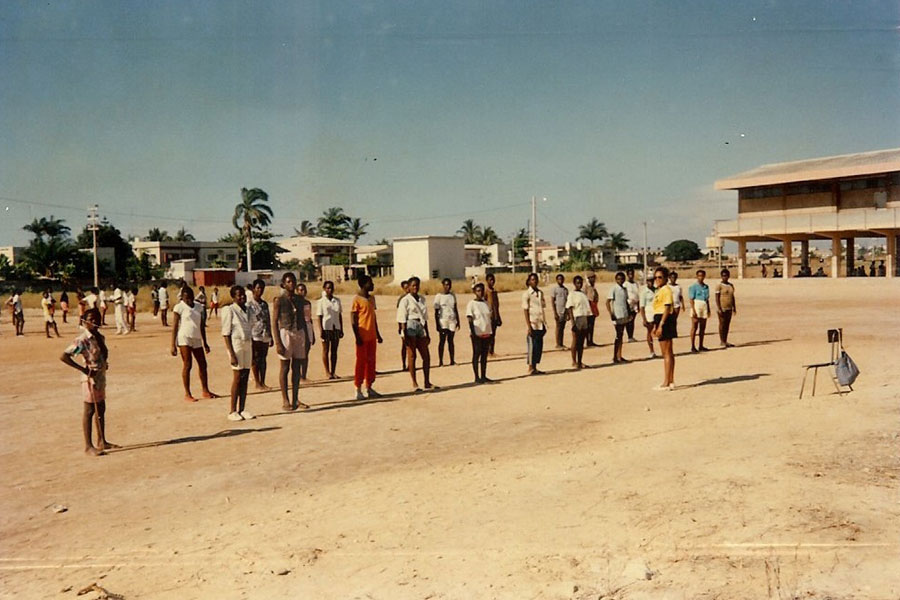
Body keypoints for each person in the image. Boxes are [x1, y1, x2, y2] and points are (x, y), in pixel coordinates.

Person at [60, 308, 118, 456]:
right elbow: (65, 356)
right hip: (89, 379)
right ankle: (88, 445)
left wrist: (104, 364)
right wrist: (83, 369)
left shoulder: (100, 338)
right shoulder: (83, 340)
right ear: (84, 321)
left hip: (100, 377)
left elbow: (101, 355)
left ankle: (102, 440)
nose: (94, 322)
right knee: (89, 410)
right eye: (91, 319)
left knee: (101, 408)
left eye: (96, 319)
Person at [271, 272, 313, 410]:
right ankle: (285, 400)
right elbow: (274, 322)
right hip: (286, 333)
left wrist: (306, 338)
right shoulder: (279, 300)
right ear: (283, 284)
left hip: (299, 333)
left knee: (296, 368)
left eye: (293, 281)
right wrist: (278, 343)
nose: (292, 284)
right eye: (288, 282)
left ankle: (295, 399)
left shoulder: (300, 300)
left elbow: (304, 320)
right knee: (284, 368)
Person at [170, 286, 216, 402]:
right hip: (184, 338)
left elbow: (201, 326)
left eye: (189, 298)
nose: (187, 300)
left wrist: (205, 342)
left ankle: (205, 390)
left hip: (196, 338)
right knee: (188, 364)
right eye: (185, 298)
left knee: (203, 364)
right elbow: (175, 326)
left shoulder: (199, 307)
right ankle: (187, 393)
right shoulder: (179, 307)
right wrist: (173, 344)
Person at [222, 285, 255, 421]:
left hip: (247, 343)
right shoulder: (229, 310)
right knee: (237, 377)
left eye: (243, 295)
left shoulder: (248, 310)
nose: (242, 297)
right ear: (233, 297)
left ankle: (242, 409)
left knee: (245, 376)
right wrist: (232, 354)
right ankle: (232, 410)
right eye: (238, 295)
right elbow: (226, 334)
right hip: (236, 344)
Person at [397, 276, 435, 391]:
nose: (415, 287)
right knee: (412, 355)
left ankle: (427, 382)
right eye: (413, 285)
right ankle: (414, 383)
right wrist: (404, 334)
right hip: (410, 326)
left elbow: (425, 317)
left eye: (417, 285)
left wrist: (427, 333)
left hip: (421, 326)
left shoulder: (422, 299)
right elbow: (402, 318)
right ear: (408, 287)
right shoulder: (405, 300)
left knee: (426, 356)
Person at [351, 274, 384, 400]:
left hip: (371, 335)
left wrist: (378, 334)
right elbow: (353, 319)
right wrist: (357, 336)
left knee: (371, 362)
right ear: (364, 284)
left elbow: (373, 317)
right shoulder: (357, 300)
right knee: (361, 362)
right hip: (362, 336)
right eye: (371, 283)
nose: (373, 285)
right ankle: (357, 388)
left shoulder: (372, 299)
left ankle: (369, 386)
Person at [652, 267, 676, 391]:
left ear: (666, 278)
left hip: (664, 319)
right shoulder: (659, 290)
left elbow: (666, 308)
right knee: (668, 352)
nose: (657, 280)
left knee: (666, 353)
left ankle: (667, 381)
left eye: (660, 277)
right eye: (655, 277)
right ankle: (670, 379)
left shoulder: (666, 290)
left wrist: (661, 325)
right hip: (659, 319)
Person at [247, 278, 274, 390]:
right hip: (254, 334)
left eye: (262, 288)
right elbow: (248, 322)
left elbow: (268, 319)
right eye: (258, 288)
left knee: (263, 358)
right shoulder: (249, 305)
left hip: (265, 334)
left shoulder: (264, 304)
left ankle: (263, 381)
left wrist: (270, 335)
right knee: (255, 358)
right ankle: (257, 382)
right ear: (253, 289)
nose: (260, 290)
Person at [466, 282, 493, 383]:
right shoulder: (471, 304)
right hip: (477, 333)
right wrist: (473, 333)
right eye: (478, 291)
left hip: (486, 332)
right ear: (474, 292)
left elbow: (488, 317)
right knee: (476, 354)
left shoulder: (486, 303)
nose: (480, 293)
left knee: (484, 356)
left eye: (481, 291)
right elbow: (470, 319)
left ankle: (483, 375)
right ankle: (476, 377)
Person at [317, 280, 343, 379]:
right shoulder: (321, 302)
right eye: (327, 288)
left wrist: (341, 328)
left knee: (334, 351)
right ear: (324, 289)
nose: (329, 290)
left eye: (331, 288)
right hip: (326, 327)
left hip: (335, 327)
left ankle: (333, 371)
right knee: (325, 350)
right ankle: (327, 372)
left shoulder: (337, 301)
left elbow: (339, 314)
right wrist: (321, 330)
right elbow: (319, 316)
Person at [522, 272, 547, 375]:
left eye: (536, 279)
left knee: (538, 346)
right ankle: (530, 367)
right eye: (532, 279)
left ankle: (535, 367)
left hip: (540, 322)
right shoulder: (526, 294)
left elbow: (542, 308)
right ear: (529, 281)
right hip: (532, 322)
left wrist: (544, 323)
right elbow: (525, 310)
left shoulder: (540, 293)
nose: (535, 281)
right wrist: (529, 326)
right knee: (532, 346)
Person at [565, 275, 591, 369]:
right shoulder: (572, 294)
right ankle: (574, 361)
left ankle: (580, 361)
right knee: (575, 341)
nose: (579, 284)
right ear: (574, 284)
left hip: (584, 317)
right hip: (577, 317)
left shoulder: (583, 294)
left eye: (580, 283)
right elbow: (569, 308)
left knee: (581, 342)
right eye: (577, 283)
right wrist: (573, 323)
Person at [433, 278, 460, 366]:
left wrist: (458, 321)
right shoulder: (439, 296)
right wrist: (437, 324)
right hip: (443, 320)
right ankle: (440, 361)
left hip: (452, 320)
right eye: (446, 284)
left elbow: (455, 308)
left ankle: (452, 360)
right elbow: (436, 311)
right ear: (443, 285)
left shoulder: (453, 296)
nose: (447, 286)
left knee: (451, 341)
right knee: (442, 340)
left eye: (449, 285)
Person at [606, 272, 630, 363]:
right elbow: (608, 302)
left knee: (621, 335)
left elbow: (626, 301)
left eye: (622, 279)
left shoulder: (624, 289)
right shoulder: (614, 289)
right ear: (616, 279)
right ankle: (615, 356)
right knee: (618, 335)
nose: (620, 280)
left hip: (624, 314)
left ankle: (619, 355)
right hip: (617, 315)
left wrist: (628, 312)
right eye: (619, 279)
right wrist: (611, 313)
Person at [296, 283, 316, 380]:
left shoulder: (307, 303)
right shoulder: (295, 303)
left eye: (303, 290)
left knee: (306, 353)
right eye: (300, 290)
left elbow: (309, 318)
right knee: (299, 353)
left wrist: (312, 332)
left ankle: (304, 375)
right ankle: (298, 374)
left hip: (308, 327)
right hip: (299, 329)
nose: (302, 292)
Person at [687, 270, 710, 352]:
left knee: (702, 327)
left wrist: (708, 309)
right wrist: (693, 309)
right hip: (696, 304)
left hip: (704, 305)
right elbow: (691, 299)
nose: (701, 277)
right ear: (697, 276)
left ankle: (701, 345)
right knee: (694, 326)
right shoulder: (693, 287)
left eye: (702, 276)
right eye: (699, 276)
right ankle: (692, 346)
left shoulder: (706, 287)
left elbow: (707, 299)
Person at [715, 268, 737, 348]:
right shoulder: (719, 286)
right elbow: (717, 297)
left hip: (729, 307)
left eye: (726, 276)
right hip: (722, 307)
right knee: (722, 324)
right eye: (723, 276)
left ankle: (725, 340)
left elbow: (732, 296)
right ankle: (722, 340)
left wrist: (734, 307)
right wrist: (719, 308)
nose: (725, 277)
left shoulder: (731, 285)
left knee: (727, 325)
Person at [550, 273, 569, 350]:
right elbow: (552, 301)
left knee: (562, 328)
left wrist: (567, 313)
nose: (560, 281)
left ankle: (561, 343)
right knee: (558, 327)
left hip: (564, 311)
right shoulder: (554, 289)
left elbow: (567, 301)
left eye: (561, 279)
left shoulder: (565, 290)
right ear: (556, 280)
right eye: (559, 279)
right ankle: (558, 343)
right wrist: (555, 313)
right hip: (558, 311)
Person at [639, 278, 657, 358]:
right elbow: (642, 307)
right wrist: (644, 318)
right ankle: (652, 351)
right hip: (648, 313)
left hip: (656, 311)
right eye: (649, 281)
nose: (651, 282)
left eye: (652, 281)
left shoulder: (656, 290)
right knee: (650, 332)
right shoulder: (644, 292)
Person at [485, 273, 502, 356]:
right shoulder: (486, 291)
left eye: (493, 280)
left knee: (493, 334)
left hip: (495, 315)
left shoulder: (494, 291)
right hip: (489, 316)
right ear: (487, 281)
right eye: (490, 280)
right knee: (489, 334)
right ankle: (487, 351)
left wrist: (498, 316)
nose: (492, 282)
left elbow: (497, 304)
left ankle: (492, 351)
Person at [623, 268, 640, 342]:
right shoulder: (625, 284)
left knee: (632, 321)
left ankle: (631, 335)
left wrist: (638, 304)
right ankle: (629, 336)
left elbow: (637, 294)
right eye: (629, 274)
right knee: (628, 321)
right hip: (628, 304)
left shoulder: (636, 284)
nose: (631, 276)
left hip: (635, 305)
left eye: (632, 274)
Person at [584, 272, 600, 346]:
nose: (593, 279)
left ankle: (591, 340)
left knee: (592, 325)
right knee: (588, 325)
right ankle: (588, 341)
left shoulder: (593, 287)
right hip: (588, 307)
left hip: (593, 306)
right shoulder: (586, 287)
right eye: (591, 278)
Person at [396, 280, 409, 371]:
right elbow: (400, 314)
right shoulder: (401, 299)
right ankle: (404, 364)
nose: (407, 289)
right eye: (405, 288)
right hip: (404, 324)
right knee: (404, 345)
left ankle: (410, 364)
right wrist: (399, 326)